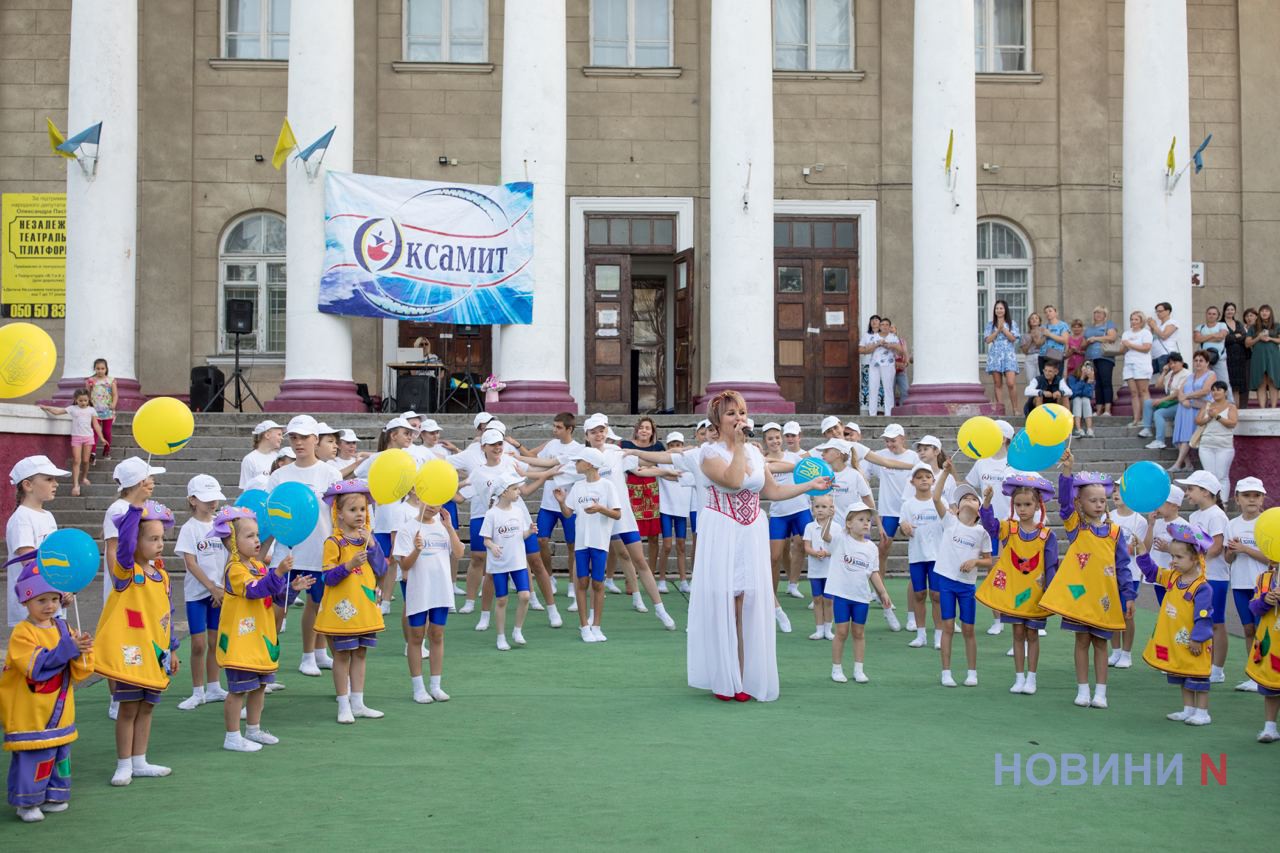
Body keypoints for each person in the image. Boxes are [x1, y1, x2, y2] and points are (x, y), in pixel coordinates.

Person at [686, 390, 829, 702]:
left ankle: (744, 676)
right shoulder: (708, 454)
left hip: (751, 529)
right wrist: (738, 447)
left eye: (741, 412)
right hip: (722, 529)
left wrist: (810, 486)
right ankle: (727, 677)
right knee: (727, 600)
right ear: (718, 420)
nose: (739, 419)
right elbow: (733, 481)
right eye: (731, 414)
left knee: (747, 601)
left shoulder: (755, 451)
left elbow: (773, 491)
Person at [1038, 451, 1134, 710]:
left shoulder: (1115, 532)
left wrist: (1128, 596)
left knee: (1101, 643)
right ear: (1080, 503)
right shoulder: (1076, 527)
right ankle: (1083, 689)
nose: (1100, 504)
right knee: (1081, 641)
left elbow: (1123, 566)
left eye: (1103, 500)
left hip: (1104, 598)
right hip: (1079, 598)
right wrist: (1067, 472)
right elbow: (1065, 505)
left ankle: (1100, 692)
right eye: (1093, 500)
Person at [1, 560, 94, 822]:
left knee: (59, 754)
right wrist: (69, 649)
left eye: (54, 598)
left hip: (60, 708)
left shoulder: (64, 628)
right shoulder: (22, 633)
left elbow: (77, 669)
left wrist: (84, 650)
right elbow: (35, 666)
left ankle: (55, 794)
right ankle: (27, 801)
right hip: (32, 711)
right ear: (25, 602)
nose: (49, 605)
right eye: (41, 600)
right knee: (35, 755)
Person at [95, 501, 179, 786]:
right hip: (131, 654)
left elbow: (166, 614)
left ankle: (140, 760)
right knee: (128, 708)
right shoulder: (127, 574)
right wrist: (135, 509)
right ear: (135, 541)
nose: (159, 544)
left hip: (155, 653)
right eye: (152, 539)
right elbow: (122, 547)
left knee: (147, 707)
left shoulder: (163, 576)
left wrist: (174, 648)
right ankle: (123, 764)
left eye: (162, 539)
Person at [212, 506, 303, 752]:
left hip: (260, 640)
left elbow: (274, 596)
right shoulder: (235, 570)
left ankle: (253, 729)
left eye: (257, 535)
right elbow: (255, 590)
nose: (257, 540)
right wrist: (280, 572)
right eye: (249, 536)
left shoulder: (259, 566)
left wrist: (293, 587)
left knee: (260, 686)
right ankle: (232, 736)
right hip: (241, 642)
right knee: (238, 690)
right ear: (232, 541)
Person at [583, 415, 676, 630]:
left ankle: (660, 610)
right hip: (596, 517)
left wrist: (667, 471)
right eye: (594, 431)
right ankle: (591, 617)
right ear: (586, 435)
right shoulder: (583, 457)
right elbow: (558, 470)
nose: (599, 434)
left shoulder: (617, 452)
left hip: (622, 515)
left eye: (601, 430)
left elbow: (641, 468)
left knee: (639, 561)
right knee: (596, 568)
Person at [269, 416, 343, 678]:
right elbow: (274, 515)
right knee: (276, 612)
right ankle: (267, 667)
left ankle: (311, 655)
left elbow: (338, 513)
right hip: (287, 555)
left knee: (318, 605)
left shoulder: (330, 473)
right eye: (293, 438)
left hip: (321, 552)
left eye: (304, 437)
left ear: (315, 439)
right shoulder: (279, 476)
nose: (298, 443)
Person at [976, 474, 1059, 695]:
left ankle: (1032, 678)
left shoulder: (1046, 535)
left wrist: (1049, 594)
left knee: (1032, 635)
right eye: (1018, 505)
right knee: (1018, 634)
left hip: (1036, 595)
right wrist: (986, 503)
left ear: (1038, 505)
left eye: (1027, 504)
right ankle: (1019, 677)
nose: (1022, 509)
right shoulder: (1009, 529)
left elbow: (1051, 566)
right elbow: (989, 525)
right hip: (1014, 592)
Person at [315, 480, 386, 723]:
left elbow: (381, 568)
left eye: (363, 509)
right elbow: (327, 577)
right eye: (353, 510)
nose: (359, 514)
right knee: (342, 656)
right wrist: (349, 565)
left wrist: (374, 545)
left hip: (365, 607)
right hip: (342, 610)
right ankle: (343, 703)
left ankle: (358, 702)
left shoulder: (369, 540)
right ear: (339, 513)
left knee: (361, 654)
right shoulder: (333, 542)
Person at [1132, 522, 1215, 726]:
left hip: (1195, 641)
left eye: (1179, 557)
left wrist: (1198, 638)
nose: (1174, 561)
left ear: (1195, 558)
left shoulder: (1202, 587)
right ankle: (1188, 709)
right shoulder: (1173, 578)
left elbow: (1203, 617)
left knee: (1198, 676)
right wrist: (1143, 552)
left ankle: (1202, 712)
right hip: (1178, 641)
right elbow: (1152, 573)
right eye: (1172, 557)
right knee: (1182, 673)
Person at [931, 459, 992, 688]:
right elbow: (936, 498)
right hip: (946, 581)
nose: (968, 500)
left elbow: (989, 560)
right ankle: (946, 672)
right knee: (947, 627)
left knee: (968, 629)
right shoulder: (949, 522)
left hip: (967, 585)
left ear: (979, 508)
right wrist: (945, 473)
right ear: (956, 506)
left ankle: (972, 672)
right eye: (964, 498)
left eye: (973, 498)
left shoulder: (981, 532)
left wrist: (975, 561)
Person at [394, 497, 462, 702]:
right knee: (416, 637)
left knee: (437, 634)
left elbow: (458, 553)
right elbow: (405, 565)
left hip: (441, 590)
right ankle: (418, 688)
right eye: (429, 501)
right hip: (419, 589)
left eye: (438, 502)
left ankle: (436, 686)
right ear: (419, 500)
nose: (433, 507)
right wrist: (417, 549)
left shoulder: (443, 527)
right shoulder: (407, 528)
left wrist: (449, 528)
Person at [174, 474, 229, 711]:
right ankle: (198, 691)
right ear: (192, 500)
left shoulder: (223, 525)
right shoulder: (190, 528)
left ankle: (215, 687)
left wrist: (223, 588)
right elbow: (191, 563)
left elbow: (230, 557)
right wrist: (211, 587)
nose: (212, 503)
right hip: (198, 594)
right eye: (207, 499)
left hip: (221, 593)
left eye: (215, 498)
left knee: (216, 641)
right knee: (198, 644)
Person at [555, 447, 621, 643]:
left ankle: (597, 626)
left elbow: (617, 514)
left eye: (578, 461)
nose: (575, 465)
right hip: (581, 543)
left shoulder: (607, 486)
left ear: (590, 464)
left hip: (600, 542)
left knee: (598, 583)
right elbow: (568, 513)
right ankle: (584, 626)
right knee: (582, 583)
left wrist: (600, 508)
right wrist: (561, 502)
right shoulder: (578, 487)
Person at [823, 502, 892, 684]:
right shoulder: (841, 539)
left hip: (861, 597)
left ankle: (858, 669)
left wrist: (883, 593)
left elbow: (873, 572)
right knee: (841, 631)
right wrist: (829, 517)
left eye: (868, 520)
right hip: (842, 596)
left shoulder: (871, 548)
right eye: (860, 519)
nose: (866, 523)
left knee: (859, 633)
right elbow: (825, 536)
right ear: (848, 523)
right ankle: (836, 668)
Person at [1176, 469, 1230, 685]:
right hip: (1197, 578)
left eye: (1191, 489)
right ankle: (1198, 662)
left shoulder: (1217, 515)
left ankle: (1217, 669)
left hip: (1215, 577)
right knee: (1196, 619)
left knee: (1216, 623)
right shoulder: (1195, 516)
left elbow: (1216, 547)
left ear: (1206, 492)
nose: (1187, 493)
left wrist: (1195, 562)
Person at [5, 456, 69, 629]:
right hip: (32, 605)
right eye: (49, 479)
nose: (55, 484)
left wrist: (65, 587)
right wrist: (59, 590)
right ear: (28, 485)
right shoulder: (22, 518)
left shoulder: (47, 516)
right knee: (35, 653)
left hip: (51, 600)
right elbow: (30, 563)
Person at [480, 471, 536, 651]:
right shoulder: (492, 514)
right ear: (504, 492)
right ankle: (501, 636)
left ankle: (517, 630)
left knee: (525, 596)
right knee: (502, 600)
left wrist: (529, 532)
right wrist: (492, 546)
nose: (519, 492)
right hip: (499, 564)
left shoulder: (519, 511)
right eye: (515, 489)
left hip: (518, 561)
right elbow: (486, 539)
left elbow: (521, 535)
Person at [865, 424, 913, 632]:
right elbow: (864, 474)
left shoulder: (914, 457)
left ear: (902, 438)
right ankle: (879, 589)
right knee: (882, 549)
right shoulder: (879, 456)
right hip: (888, 510)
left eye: (893, 440)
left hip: (911, 509)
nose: (890, 444)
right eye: (887, 440)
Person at [1225, 477, 1269, 693]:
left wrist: (1245, 549)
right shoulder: (1232, 525)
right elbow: (1227, 558)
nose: (1252, 500)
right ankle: (1253, 673)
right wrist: (1232, 552)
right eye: (1246, 495)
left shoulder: (1268, 523)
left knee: (1263, 630)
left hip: (1263, 586)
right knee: (1248, 628)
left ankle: (1265, 674)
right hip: (1240, 584)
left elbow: (1273, 559)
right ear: (1237, 499)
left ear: (1262, 499)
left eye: (1256, 495)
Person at [529, 412, 582, 587]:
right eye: (554, 426)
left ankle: (572, 583)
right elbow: (539, 464)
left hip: (569, 505)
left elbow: (552, 470)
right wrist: (519, 466)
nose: (555, 430)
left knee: (572, 545)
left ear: (570, 429)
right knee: (541, 540)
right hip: (548, 504)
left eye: (559, 427)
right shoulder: (551, 445)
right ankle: (550, 577)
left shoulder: (578, 449)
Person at [899, 463, 942, 650]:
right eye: (919, 477)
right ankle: (921, 634)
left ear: (933, 480)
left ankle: (939, 636)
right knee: (919, 594)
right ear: (913, 482)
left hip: (937, 555)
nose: (924, 479)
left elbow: (949, 523)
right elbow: (903, 526)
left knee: (937, 595)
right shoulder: (908, 505)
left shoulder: (940, 502)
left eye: (927, 476)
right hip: (917, 555)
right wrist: (905, 528)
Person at [1107, 489, 1149, 669]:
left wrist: (1119, 548)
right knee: (1111, 613)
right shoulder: (1107, 517)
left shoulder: (1139, 520)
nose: (1116, 494)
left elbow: (1137, 549)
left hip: (1130, 573)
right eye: (1114, 491)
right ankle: (1115, 651)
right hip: (1109, 572)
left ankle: (1126, 653)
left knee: (1127, 614)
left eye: (1121, 492)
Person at [620, 417, 664, 578]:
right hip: (631, 490)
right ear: (636, 430)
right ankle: (630, 578)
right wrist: (650, 462)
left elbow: (664, 461)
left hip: (651, 492)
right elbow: (626, 463)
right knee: (631, 535)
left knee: (653, 536)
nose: (645, 430)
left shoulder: (658, 447)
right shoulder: (625, 445)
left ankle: (650, 574)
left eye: (648, 428)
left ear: (653, 432)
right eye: (642, 427)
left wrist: (640, 463)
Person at [40, 389, 104, 498]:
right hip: (76, 438)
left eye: (85, 400)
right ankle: (75, 485)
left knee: (85, 461)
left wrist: (102, 438)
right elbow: (58, 411)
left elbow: (96, 425)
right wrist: (47, 408)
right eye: (80, 400)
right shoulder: (72, 409)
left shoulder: (91, 410)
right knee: (76, 461)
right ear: (75, 400)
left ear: (89, 399)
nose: (83, 403)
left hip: (88, 438)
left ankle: (84, 477)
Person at [1244, 561, 1280, 742]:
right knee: (1271, 685)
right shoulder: (1264, 578)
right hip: (1272, 642)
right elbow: (1254, 608)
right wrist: (1265, 600)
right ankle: (1270, 726)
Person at [656, 431, 694, 595]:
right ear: (668, 446)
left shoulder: (688, 461)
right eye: (672, 445)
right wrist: (669, 456)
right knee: (666, 545)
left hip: (682, 508)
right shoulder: (662, 461)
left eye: (678, 445)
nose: (675, 448)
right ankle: (662, 580)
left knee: (681, 547)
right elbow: (655, 462)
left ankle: (684, 580)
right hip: (665, 508)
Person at [1168, 351, 1215, 472]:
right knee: (1179, 438)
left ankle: (1178, 464)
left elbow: (1205, 391)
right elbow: (1180, 391)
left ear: (1207, 363)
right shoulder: (1190, 376)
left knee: (1186, 437)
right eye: (1196, 360)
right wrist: (1183, 400)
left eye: (1201, 361)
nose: (1198, 363)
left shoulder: (1211, 374)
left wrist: (1187, 397)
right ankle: (1188, 464)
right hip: (1184, 408)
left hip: (1198, 409)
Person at [1143, 486, 1185, 607]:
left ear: (1174, 505)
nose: (1157, 505)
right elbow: (1146, 548)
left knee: (1175, 609)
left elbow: (1187, 552)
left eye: (1162, 502)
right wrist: (1150, 525)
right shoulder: (1157, 523)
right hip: (1159, 575)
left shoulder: (1183, 525)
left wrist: (1169, 549)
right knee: (1164, 608)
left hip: (1176, 576)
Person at [1195, 381, 1238, 495]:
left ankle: (1223, 504)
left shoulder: (1231, 406)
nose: (1215, 392)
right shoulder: (1207, 405)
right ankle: (1211, 503)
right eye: (1213, 390)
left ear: (1225, 392)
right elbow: (1198, 421)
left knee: (1222, 475)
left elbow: (1232, 423)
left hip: (1224, 445)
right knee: (1209, 475)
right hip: (1206, 445)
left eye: (1218, 390)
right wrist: (1208, 417)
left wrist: (1217, 416)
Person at [802, 495, 835, 640]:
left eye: (824, 507)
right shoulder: (809, 527)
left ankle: (828, 629)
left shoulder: (836, 527)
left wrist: (826, 553)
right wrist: (816, 553)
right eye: (817, 507)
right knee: (817, 599)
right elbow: (806, 547)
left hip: (830, 571)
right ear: (812, 509)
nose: (820, 510)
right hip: (815, 571)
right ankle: (819, 629)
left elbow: (837, 549)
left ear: (831, 509)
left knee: (829, 600)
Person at [1142, 352, 1190, 448]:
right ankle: (1147, 429)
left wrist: (1161, 400)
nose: (1172, 365)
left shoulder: (1186, 374)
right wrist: (1164, 372)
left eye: (1175, 362)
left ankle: (1160, 440)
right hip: (1169, 402)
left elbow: (1177, 393)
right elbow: (1158, 386)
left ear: (1181, 362)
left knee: (1159, 413)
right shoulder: (1171, 373)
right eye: (1170, 363)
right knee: (1148, 403)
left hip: (1179, 403)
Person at [983, 299, 1021, 416]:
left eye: (1001, 308)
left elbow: (1013, 338)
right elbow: (987, 340)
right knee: (997, 383)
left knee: (1010, 382)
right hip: (995, 355)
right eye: (997, 308)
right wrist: (997, 331)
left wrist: (1003, 329)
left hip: (1008, 354)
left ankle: (1015, 409)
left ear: (1005, 310)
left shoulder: (1012, 323)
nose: (999, 310)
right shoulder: (990, 324)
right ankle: (1001, 410)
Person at [860, 316, 902, 416]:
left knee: (888, 389)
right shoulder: (873, 336)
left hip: (888, 366)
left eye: (887, 325)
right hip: (874, 366)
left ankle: (888, 414)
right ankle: (872, 414)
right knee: (873, 388)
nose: (884, 326)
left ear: (889, 326)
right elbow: (865, 350)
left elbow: (900, 350)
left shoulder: (893, 337)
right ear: (880, 326)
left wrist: (890, 345)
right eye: (882, 324)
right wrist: (877, 344)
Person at [1082, 306, 1119, 417]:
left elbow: (1112, 337)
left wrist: (1095, 338)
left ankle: (1107, 409)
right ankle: (1098, 410)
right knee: (1097, 384)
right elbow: (1082, 345)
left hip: (1105, 357)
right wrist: (1088, 342)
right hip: (1091, 358)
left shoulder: (1109, 324)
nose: (1097, 315)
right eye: (1096, 312)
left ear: (1105, 315)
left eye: (1100, 313)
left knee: (1106, 382)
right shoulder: (1088, 329)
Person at [1121, 309, 1155, 426]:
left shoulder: (1146, 333)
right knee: (1134, 392)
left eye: (1136, 319)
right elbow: (1123, 349)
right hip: (1129, 364)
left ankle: (1146, 419)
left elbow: (1146, 348)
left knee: (1143, 391)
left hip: (1141, 364)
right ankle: (1136, 418)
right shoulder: (1126, 333)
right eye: (1132, 319)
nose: (1133, 321)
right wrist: (1124, 346)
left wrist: (1130, 344)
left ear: (1141, 321)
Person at [1193, 304, 1231, 399]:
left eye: (1214, 314)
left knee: (1224, 382)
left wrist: (1204, 338)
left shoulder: (1222, 325)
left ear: (1218, 315)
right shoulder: (1200, 327)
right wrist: (1214, 335)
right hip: (1203, 360)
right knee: (1203, 382)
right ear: (1206, 314)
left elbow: (1221, 336)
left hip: (1219, 359)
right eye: (1209, 313)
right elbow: (1197, 339)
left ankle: (1230, 404)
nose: (1211, 315)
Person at [1246, 303, 1279, 408]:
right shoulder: (1253, 327)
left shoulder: (1277, 325)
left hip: (1273, 357)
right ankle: (1262, 408)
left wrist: (1270, 338)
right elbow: (1247, 344)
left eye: (1267, 311)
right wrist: (1258, 337)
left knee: (1272, 381)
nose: (1264, 313)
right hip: (1258, 357)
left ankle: (1274, 408)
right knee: (1261, 382)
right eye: (1262, 311)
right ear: (1259, 313)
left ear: (1270, 313)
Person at [85, 357, 117, 460]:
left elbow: (115, 394)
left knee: (106, 432)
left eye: (102, 368)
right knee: (94, 431)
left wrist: (114, 404)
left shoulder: (111, 380)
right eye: (98, 368)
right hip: (94, 411)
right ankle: (92, 453)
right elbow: (87, 394)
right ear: (95, 369)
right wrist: (87, 406)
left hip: (107, 411)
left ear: (106, 369)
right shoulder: (91, 381)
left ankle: (106, 451)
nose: (100, 370)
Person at [1222, 302, 1251, 408]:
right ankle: (1227, 409)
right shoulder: (1221, 323)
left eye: (1232, 309)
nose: (1230, 311)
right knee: (1228, 384)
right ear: (1224, 311)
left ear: (1235, 311)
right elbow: (1224, 339)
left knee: (1238, 386)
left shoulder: (1238, 323)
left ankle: (1237, 409)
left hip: (1240, 358)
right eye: (1228, 309)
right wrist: (1236, 337)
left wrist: (1232, 337)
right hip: (1227, 358)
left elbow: (1244, 337)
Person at [239, 420, 284, 489]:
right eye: (279, 434)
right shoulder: (250, 459)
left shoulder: (278, 457)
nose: (282, 438)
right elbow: (246, 488)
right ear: (267, 435)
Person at [1147, 301, 1182, 374]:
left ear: (1168, 311)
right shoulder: (1159, 326)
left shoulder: (1172, 322)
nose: (1158, 313)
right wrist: (1151, 328)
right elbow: (1151, 338)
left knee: (1165, 378)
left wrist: (1154, 326)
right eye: (1156, 311)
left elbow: (1164, 336)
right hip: (1156, 355)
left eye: (1160, 311)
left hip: (1166, 354)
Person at [859, 314, 883, 413]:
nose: (874, 321)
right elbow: (861, 349)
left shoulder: (884, 335)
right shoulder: (866, 335)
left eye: (876, 320)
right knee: (867, 387)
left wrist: (869, 348)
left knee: (881, 387)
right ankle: (866, 409)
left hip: (881, 365)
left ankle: (881, 409)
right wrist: (875, 346)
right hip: (867, 365)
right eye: (872, 320)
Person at [1038, 304, 1070, 374]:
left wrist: (1049, 334)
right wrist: (1044, 335)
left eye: (1050, 311)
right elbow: (1039, 343)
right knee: (1044, 379)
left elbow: (1065, 340)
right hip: (1043, 355)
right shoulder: (1044, 326)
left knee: (1056, 378)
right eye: (1046, 312)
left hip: (1056, 354)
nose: (1048, 313)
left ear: (1056, 313)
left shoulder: (1062, 325)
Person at [1069, 361, 1096, 439]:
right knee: (1077, 399)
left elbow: (1088, 395)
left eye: (1089, 368)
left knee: (1085, 399)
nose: (1087, 370)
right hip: (1073, 401)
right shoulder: (1072, 377)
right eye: (1085, 367)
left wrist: (1089, 382)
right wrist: (1081, 378)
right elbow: (1074, 392)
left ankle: (1089, 429)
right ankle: (1078, 429)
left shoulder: (1091, 379)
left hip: (1084, 401)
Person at [1020, 311, 1044, 385]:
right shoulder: (1025, 335)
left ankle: (1040, 396)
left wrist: (1036, 339)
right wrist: (1031, 340)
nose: (1034, 320)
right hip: (1029, 358)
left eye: (1036, 318)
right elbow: (1024, 351)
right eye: (1032, 318)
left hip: (1040, 356)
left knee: (1041, 379)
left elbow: (1040, 345)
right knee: (1030, 381)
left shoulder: (1044, 333)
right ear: (1029, 322)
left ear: (1039, 321)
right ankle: (1032, 396)